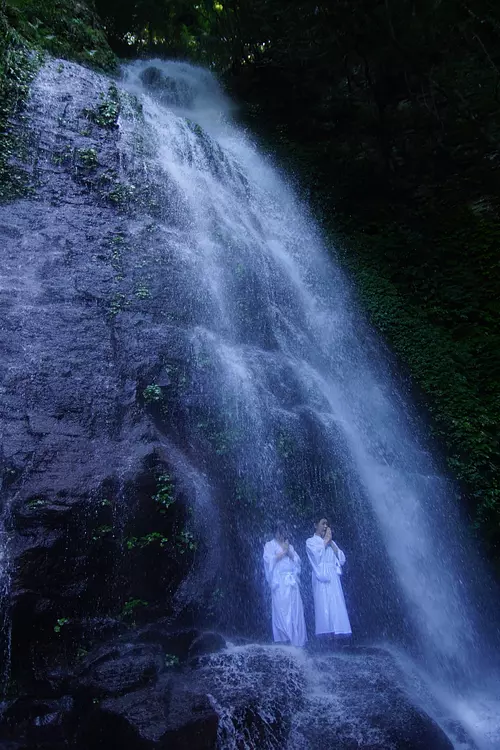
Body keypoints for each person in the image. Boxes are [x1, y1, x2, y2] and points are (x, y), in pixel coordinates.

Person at [263, 521, 307, 647]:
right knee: (281, 610)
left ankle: (297, 640)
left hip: (291, 582)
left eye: (284, 531)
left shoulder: (290, 546)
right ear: (275, 532)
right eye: (279, 531)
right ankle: (284, 639)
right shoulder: (269, 545)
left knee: (295, 610)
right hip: (279, 582)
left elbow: (298, 561)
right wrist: (283, 552)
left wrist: (289, 552)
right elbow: (268, 561)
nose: (282, 534)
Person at [306, 516, 351, 637]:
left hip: (333, 578)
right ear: (316, 525)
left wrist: (331, 542)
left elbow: (342, 559)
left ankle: (338, 635)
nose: (325, 526)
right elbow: (315, 556)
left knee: (336, 606)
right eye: (323, 523)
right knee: (324, 606)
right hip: (321, 577)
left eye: (327, 524)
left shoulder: (331, 542)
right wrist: (326, 541)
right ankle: (325, 637)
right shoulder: (310, 541)